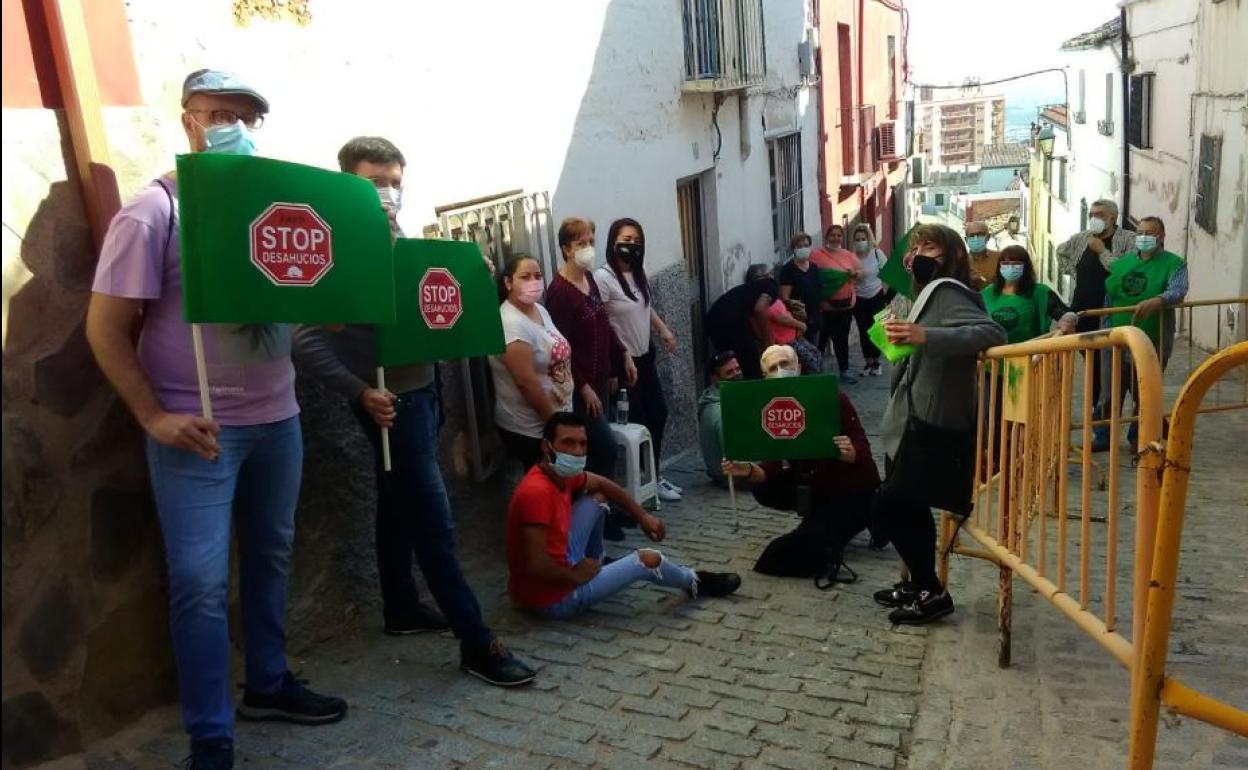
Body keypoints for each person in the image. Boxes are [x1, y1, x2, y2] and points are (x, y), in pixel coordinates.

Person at [85, 69, 347, 770]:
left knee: (271, 556)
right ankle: (211, 733)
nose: (232, 126)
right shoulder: (153, 213)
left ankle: (267, 682)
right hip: (196, 434)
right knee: (199, 582)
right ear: (188, 121)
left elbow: (302, 302)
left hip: (279, 418)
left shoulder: (276, 210)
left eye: (246, 116)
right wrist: (153, 416)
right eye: (218, 113)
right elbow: (106, 328)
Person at [292, 136, 535, 689]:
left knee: (395, 501)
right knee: (434, 521)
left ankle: (400, 605)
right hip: (389, 406)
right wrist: (359, 392)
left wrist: (473, 272)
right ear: (346, 184)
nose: (387, 192)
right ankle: (477, 640)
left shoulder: (403, 241)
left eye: (395, 182)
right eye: (373, 181)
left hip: (423, 393)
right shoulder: (337, 251)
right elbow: (305, 341)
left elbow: (441, 307)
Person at [871, 223, 1006, 625]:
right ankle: (919, 584)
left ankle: (932, 590)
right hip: (910, 414)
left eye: (929, 246)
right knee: (910, 506)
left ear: (952, 255)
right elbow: (905, 348)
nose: (918, 254)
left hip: (931, 418)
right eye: (914, 247)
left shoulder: (948, 291)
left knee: (890, 505)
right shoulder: (921, 293)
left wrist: (925, 335)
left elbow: (990, 331)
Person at [506, 412, 742, 619]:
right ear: (547, 447)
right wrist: (575, 575)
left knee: (597, 497)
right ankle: (693, 581)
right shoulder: (536, 492)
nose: (577, 451)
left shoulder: (557, 474)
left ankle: (596, 561)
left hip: (558, 568)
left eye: (582, 444)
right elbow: (537, 564)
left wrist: (642, 516)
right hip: (556, 599)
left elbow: (604, 485)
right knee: (648, 560)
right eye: (568, 443)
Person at [722, 346, 881, 579]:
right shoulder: (773, 405)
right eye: (773, 368)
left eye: (785, 364)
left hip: (850, 489)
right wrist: (746, 470)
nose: (780, 371)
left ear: (798, 367)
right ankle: (819, 520)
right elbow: (772, 467)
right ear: (765, 377)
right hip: (816, 486)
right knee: (763, 490)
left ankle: (872, 516)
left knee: (788, 553)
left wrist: (851, 452)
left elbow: (862, 445)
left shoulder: (830, 397)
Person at [594, 218, 683, 502]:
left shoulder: (639, 270)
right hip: (624, 364)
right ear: (612, 242)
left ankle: (654, 477)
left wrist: (663, 330)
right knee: (638, 422)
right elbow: (601, 323)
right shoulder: (603, 279)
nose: (630, 246)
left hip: (646, 357)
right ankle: (636, 488)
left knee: (659, 414)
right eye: (625, 240)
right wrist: (613, 362)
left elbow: (645, 306)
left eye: (635, 240)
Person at [544, 218, 636, 482]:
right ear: (566, 249)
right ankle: (595, 505)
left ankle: (601, 507)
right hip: (579, 390)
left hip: (601, 380)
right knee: (603, 446)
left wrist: (623, 356)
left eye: (591, 242)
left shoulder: (588, 279)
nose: (588, 248)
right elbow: (559, 346)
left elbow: (603, 323)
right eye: (580, 243)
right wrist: (583, 386)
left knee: (598, 449)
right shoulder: (560, 293)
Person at [1092, 215, 1187, 451]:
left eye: (1150, 233)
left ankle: (1139, 436)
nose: (1144, 237)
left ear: (1161, 236)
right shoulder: (1125, 261)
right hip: (1115, 334)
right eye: (1141, 232)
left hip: (1152, 336)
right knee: (1109, 388)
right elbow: (1111, 289)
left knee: (1145, 387)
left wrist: (1158, 300)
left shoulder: (1174, 263)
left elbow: (1178, 290)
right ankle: (1102, 436)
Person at [489, 254, 574, 470]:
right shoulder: (510, 323)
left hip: (558, 414)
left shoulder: (539, 310)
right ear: (508, 283)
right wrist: (557, 426)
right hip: (531, 428)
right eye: (525, 277)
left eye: (537, 276)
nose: (534, 282)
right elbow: (526, 383)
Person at [1056, 199, 1137, 407]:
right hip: (1083, 315)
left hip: (1112, 315)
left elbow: (1124, 272)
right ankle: (1099, 413)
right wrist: (1073, 271)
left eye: (1099, 214)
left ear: (1113, 217)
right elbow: (1061, 251)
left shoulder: (1129, 239)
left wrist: (1102, 251)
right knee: (1094, 368)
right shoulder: (1083, 238)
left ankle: (1115, 414)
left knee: (1117, 370)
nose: (1093, 218)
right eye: (1091, 214)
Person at [981, 246, 1078, 344]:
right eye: (1005, 264)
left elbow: (1064, 313)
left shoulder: (1040, 292)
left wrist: (1068, 318)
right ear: (999, 267)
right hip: (994, 356)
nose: (1010, 267)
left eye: (1016, 264)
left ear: (1026, 266)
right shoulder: (987, 293)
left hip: (1030, 355)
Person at [705, 264, 781, 380]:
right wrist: (768, 342)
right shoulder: (772, 285)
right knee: (751, 365)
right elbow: (760, 309)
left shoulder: (749, 289)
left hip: (714, 318)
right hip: (730, 320)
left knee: (731, 364)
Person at [811, 224, 864, 382]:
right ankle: (815, 371)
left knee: (841, 339)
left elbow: (861, 272)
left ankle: (844, 370)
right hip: (825, 307)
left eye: (839, 235)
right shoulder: (816, 255)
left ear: (842, 237)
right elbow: (812, 277)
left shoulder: (848, 255)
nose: (836, 238)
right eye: (832, 235)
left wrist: (855, 273)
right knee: (821, 339)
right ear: (826, 237)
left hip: (845, 306)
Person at [847, 224, 893, 378]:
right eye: (857, 239)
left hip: (876, 295)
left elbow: (887, 273)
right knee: (863, 331)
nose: (860, 241)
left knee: (877, 330)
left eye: (863, 239)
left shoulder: (876, 254)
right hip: (859, 298)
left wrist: (884, 293)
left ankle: (876, 362)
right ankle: (868, 362)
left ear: (868, 239)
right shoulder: (851, 257)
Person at [698, 350, 742, 487]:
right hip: (731, 477)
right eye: (729, 372)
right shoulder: (722, 411)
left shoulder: (712, 395)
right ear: (716, 378)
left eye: (737, 369)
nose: (736, 374)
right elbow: (735, 458)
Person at [778, 232, 823, 344]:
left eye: (806, 245)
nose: (803, 248)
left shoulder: (814, 268)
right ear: (794, 249)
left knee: (814, 350)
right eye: (799, 246)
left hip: (814, 317)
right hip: (798, 320)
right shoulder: (788, 270)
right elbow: (785, 297)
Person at [964, 220, 1000, 291]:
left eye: (980, 234)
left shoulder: (1000, 257)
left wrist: (983, 282)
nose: (976, 238)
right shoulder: (961, 262)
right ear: (966, 239)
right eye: (972, 235)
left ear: (988, 237)